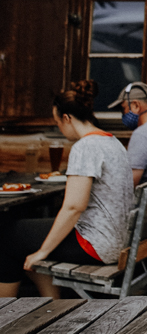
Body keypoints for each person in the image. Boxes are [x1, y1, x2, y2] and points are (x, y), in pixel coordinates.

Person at [0, 81, 134, 298]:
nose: (59, 129)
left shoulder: (85, 147)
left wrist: (43, 252)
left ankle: (5, 313)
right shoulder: (112, 142)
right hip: (116, 239)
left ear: (67, 118)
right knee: (25, 235)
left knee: (7, 237)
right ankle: (51, 304)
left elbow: (73, 206)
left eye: (57, 122)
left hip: (96, 243)